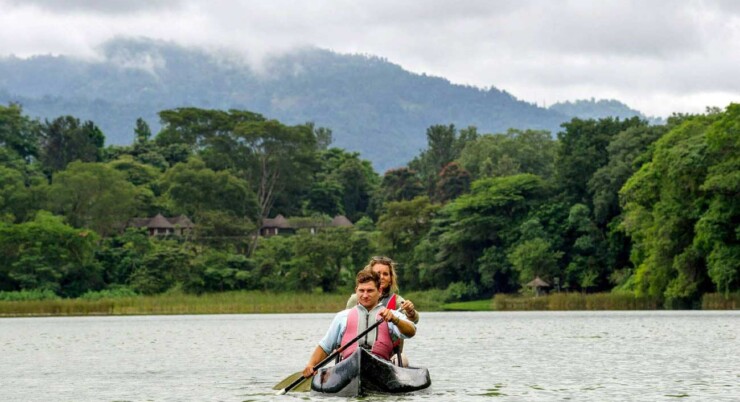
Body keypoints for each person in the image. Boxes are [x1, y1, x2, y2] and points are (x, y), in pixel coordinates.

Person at [302, 270, 416, 378]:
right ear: (356, 290)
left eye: (370, 291)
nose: (365, 295)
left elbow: (411, 332)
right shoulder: (342, 317)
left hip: (381, 365)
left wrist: (395, 320)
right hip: (348, 367)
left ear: (379, 291)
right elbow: (325, 346)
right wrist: (311, 365)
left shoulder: (392, 315)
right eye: (361, 291)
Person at [345, 256, 419, 323]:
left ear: (390, 279)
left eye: (385, 274)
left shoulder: (397, 301)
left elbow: (414, 321)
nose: (381, 277)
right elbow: (345, 323)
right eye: (378, 273)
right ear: (369, 275)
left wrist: (410, 312)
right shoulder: (355, 299)